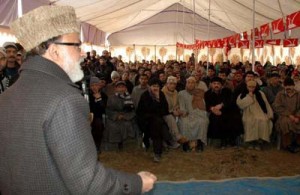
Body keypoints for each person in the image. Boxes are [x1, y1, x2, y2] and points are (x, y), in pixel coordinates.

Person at [0, 5, 156, 194]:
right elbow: (88, 182)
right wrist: (137, 183)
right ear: (54, 51)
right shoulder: (64, 99)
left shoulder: (6, 96)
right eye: (76, 45)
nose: (82, 53)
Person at [137, 78, 174, 162]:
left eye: (157, 86)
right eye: (154, 86)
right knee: (158, 125)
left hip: (158, 120)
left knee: (157, 126)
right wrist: (157, 100)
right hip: (145, 120)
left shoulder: (161, 94)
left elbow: (165, 109)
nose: (156, 88)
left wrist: (158, 98)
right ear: (150, 86)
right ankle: (166, 138)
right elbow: (147, 110)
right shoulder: (145, 95)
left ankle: (157, 153)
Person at [237, 80, 273, 150]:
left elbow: (266, 104)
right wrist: (249, 97)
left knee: (263, 121)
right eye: (249, 87)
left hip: (260, 112)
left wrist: (269, 114)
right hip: (248, 112)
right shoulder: (243, 94)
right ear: (246, 87)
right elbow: (240, 104)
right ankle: (251, 141)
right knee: (249, 121)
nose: (251, 89)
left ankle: (259, 141)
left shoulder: (260, 93)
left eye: (253, 87)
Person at [178, 76, 209, 152]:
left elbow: (203, 105)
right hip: (186, 113)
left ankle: (200, 142)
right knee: (184, 123)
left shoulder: (200, 92)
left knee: (203, 121)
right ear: (186, 84)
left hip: (198, 113)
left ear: (195, 84)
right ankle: (186, 142)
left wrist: (199, 113)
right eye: (189, 82)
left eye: (192, 83)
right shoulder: (181, 93)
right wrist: (185, 112)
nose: (190, 84)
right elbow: (181, 106)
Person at [273, 77, 300, 152]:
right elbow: (277, 106)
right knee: (286, 122)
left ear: (293, 86)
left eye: (290, 85)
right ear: (284, 86)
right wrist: (289, 115)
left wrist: (297, 116)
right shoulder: (280, 94)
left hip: (296, 115)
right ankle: (287, 145)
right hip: (283, 115)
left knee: (297, 122)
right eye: (286, 85)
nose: (288, 87)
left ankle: (297, 143)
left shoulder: (298, 94)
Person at [89, 76, 108, 153]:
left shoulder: (104, 96)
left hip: (98, 117)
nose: (94, 87)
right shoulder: (87, 95)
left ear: (99, 86)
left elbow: (104, 109)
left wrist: (99, 99)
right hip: (86, 116)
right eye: (92, 85)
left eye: (96, 85)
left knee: (98, 125)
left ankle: (97, 145)